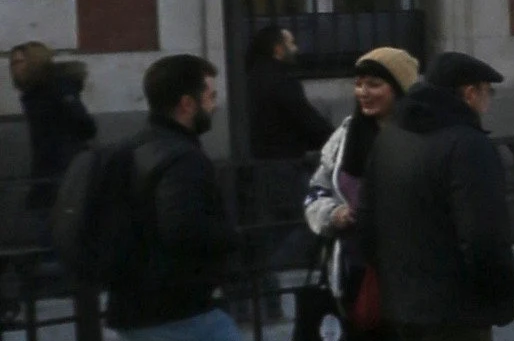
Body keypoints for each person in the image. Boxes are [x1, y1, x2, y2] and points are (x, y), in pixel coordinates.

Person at [363, 52, 514, 340]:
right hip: (457, 312)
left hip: (402, 308)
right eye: (488, 91)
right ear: (470, 93)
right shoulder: (468, 145)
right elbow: (483, 237)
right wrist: (504, 289)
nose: (489, 101)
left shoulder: (391, 136)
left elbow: (367, 220)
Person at [106, 54, 241, 341]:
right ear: (187, 104)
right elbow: (183, 228)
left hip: (137, 307)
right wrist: (231, 237)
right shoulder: (183, 158)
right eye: (210, 96)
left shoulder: (136, 146)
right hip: (178, 311)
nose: (214, 105)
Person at [301, 47, 417, 337]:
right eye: (359, 84)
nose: (363, 92)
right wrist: (334, 214)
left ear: (400, 89)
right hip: (353, 272)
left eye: (374, 84)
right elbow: (318, 189)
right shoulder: (345, 135)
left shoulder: (421, 136)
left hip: (411, 276)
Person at [11, 41, 94, 213]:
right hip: (53, 174)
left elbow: (85, 124)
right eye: (12, 63)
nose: (14, 68)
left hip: (61, 174)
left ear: (35, 62)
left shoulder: (55, 89)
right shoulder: (35, 93)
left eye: (19, 62)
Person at [242, 26, 332, 162]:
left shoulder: (251, 78)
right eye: (291, 43)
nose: (296, 49)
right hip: (285, 160)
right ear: (278, 49)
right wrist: (333, 139)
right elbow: (305, 117)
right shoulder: (282, 80)